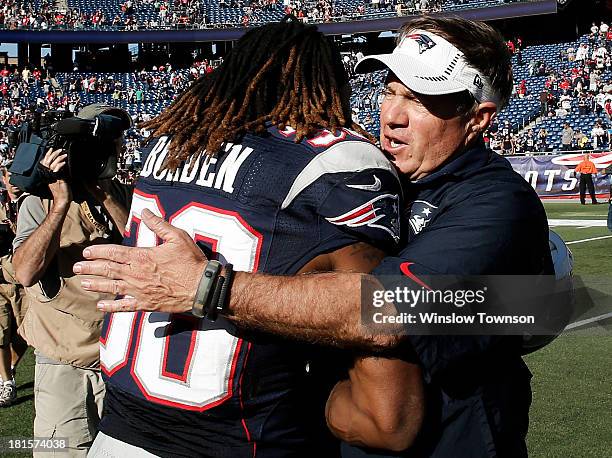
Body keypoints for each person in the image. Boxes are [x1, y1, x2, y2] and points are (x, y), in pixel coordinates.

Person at [77, 17, 554, 457]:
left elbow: (385, 314)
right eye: (390, 91)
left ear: (478, 117)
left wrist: (210, 286)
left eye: (421, 98)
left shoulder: (498, 204)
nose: (391, 115)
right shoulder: (371, 176)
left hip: (449, 443)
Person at [12, 104, 133, 456]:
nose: (116, 149)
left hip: (120, 359)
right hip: (66, 362)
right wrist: (60, 202)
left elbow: (145, 251)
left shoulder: (117, 192)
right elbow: (25, 272)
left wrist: (106, 196)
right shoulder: (39, 200)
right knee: (63, 450)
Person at [0, 164, 28, 407]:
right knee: (1, 333)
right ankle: (7, 383)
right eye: (10, 176)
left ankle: (9, 367)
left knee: (25, 332)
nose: (14, 181)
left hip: (25, 279)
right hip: (1, 276)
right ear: (4, 177)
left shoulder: (33, 201)